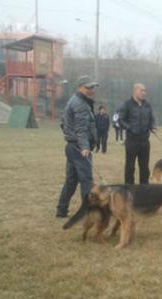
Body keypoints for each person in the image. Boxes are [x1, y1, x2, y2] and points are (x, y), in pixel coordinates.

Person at [56, 75, 98, 218]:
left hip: (72, 146)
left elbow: (63, 122)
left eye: (93, 87)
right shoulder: (80, 104)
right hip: (79, 148)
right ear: (80, 87)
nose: (92, 90)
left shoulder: (75, 101)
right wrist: (85, 147)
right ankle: (89, 211)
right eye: (89, 87)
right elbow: (81, 128)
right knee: (87, 180)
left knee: (71, 181)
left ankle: (61, 210)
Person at [118, 83, 156, 184]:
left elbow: (152, 118)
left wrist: (153, 126)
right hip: (132, 141)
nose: (144, 93)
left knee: (144, 167)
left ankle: (144, 188)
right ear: (135, 91)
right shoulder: (127, 104)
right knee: (130, 167)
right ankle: (129, 188)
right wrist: (129, 128)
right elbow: (120, 120)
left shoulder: (147, 105)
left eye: (145, 90)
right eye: (141, 90)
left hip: (144, 141)